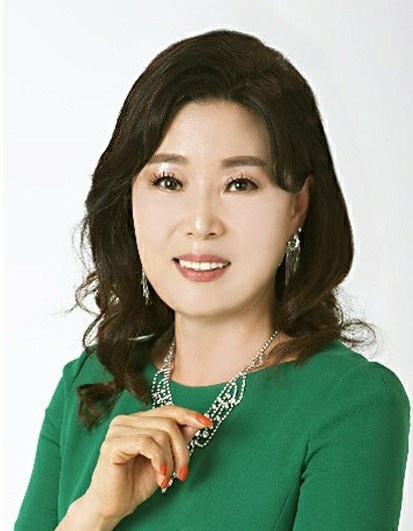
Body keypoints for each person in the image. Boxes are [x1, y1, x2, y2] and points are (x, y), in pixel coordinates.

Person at [15, 29, 410, 530]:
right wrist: (92, 514)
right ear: (129, 197)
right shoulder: (89, 386)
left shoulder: (350, 404)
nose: (201, 223)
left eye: (240, 183)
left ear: (297, 206)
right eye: (169, 181)